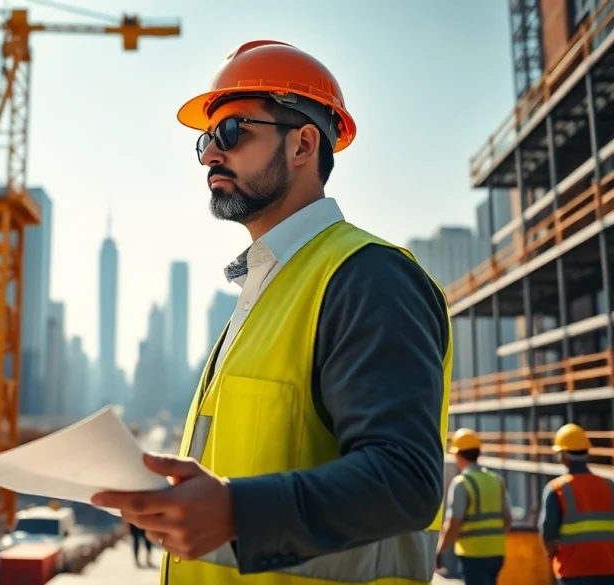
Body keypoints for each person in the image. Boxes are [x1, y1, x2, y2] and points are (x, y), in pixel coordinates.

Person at [90, 39, 451, 585]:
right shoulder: (263, 292)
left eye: (232, 132)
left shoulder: (369, 277)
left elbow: (405, 481)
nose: (210, 155)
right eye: (206, 140)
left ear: (303, 143)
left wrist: (238, 513)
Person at [539, 423, 614, 584]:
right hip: (609, 568)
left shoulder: (556, 489)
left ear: (563, 456)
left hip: (573, 571)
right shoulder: (609, 486)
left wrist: (552, 556)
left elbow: (548, 533)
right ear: (587, 453)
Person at [435, 428, 510, 584]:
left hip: (473, 554)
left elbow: (454, 523)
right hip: (497, 553)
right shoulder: (496, 479)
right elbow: (508, 518)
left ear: (457, 455)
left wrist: (439, 550)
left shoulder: (461, 483)